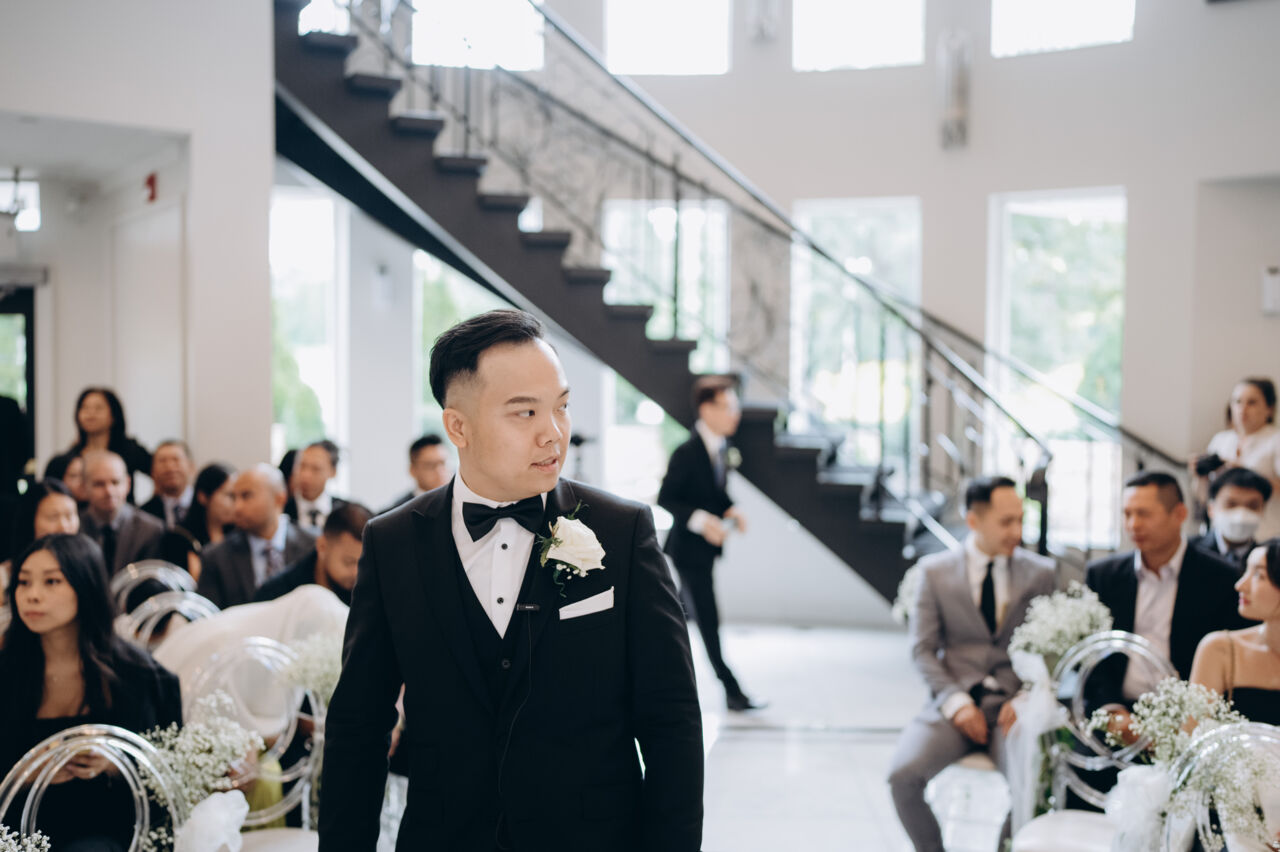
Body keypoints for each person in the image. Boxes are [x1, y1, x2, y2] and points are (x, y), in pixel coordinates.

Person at [319, 309, 703, 852]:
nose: (554, 433)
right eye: (525, 412)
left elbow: (672, 722)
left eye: (561, 406)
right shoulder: (393, 543)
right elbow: (359, 727)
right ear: (458, 427)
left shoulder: (622, 532)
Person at [887, 476, 1055, 852]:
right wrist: (957, 702)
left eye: (1020, 520)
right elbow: (922, 650)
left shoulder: (1041, 573)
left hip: (1012, 711)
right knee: (902, 776)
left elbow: (1049, 651)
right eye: (1006, 522)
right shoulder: (934, 572)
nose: (1017, 532)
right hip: (952, 705)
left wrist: (1026, 697)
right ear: (974, 520)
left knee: (1034, 785)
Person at [0, 533, 183, 850]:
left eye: (52, 582)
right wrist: (26, 773)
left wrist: (113, 762)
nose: (32, 595)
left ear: (86, 585)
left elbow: (169, 766)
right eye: (23, 582)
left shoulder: (136, 674)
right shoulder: (8, 670)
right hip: (18, 829)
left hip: (108, 828)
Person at [1085, 471, 1249, 710]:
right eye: (1127, 514)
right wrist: (1111, 709)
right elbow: (1092, 655)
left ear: (1179, 514)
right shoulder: (1103, 576)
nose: (1133, 525)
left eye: (1144, 514)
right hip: (1117, 709)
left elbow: (1230, 662)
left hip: (1190, 712)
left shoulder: (1223, 578)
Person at [657, 375, 760, 712]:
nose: (735, 414)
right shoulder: (687, 452)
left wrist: (730, 509)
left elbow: (712, 493)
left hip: (703, 552)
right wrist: (704, 522)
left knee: (678, 618)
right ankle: (732, 690)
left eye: (735, 406)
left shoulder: (719, 447)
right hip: (688, 552)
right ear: (706, 409)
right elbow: (667, 497)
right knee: (707, 620)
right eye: (728, 406)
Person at [195, 464, 315, 609]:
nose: (237, 507)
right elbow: (207, 616)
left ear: (279, 499)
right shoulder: (216, 557)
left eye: (246, 496)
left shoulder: (312, 546)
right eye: (234, 497)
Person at [1191, 539, 1280, 725]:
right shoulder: (1219, 649)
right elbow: (1192, 735)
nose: (1240, 585)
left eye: (1258, 575)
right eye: (1246, 571)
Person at [1199, 378, 1280, 540]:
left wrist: (1243, 473)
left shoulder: (1275, 441)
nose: (1243, 409)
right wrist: (1200, 475)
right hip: (1219, 534)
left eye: (1252, 403)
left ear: (1269, 409)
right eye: (1237, 402)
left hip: (1264, 533)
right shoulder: (1220, 440)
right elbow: (1205, 496)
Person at [255, 501, 373, 606]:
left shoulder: (372, 593)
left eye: (364, 563)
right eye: (349, 562)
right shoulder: (277, 595)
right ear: (322, 546)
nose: (356, 573)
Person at [44, 388, 152, 499]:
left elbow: (157, 472)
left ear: (113, 416)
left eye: (98, 408)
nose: (91, 413)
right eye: (85, 408)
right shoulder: (65, 460)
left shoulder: (130, 450)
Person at [78, 451, 164, 576]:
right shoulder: (74, 527)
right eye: (99, 484)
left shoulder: (151, 530)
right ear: (84, 487)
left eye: (115, 482)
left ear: (128, 484)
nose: (109, 491)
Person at [158, 462, 237, 578]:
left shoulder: (240, 537)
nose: (236, 503)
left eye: (240, 496)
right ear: (203, 497)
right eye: (229, 495)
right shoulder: (179, 538)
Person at [0, 479, 80, 591]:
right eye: (53, 517)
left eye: (69, 516)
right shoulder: (5, 577)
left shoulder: (85, 567)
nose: (64, 527)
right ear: (30, 521)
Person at [1190, 466, 1272, 565]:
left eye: (1252, 506)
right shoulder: (1189, 552)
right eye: (1231, 504)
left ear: (1263, 510)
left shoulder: (1270, 561)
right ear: (1211, 508)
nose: (1241, 516)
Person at [285, 440, 348, 537]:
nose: (305, 475)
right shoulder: (282, 511)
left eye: (316, 469)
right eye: (302, 466)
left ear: (333, 472)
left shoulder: (345, 513)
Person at [383, 434, 451, 511]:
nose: (440, 471)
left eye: (443, 463)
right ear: (412, 470)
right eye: (430, 465)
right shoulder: (397, 511)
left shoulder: (457, 503)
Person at [140, 440, 196, 528]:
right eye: (162, 461)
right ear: (152, 471)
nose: (170, 467)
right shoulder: (143, 514)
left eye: (176, 460)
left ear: (191, 467)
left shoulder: (207, 507)